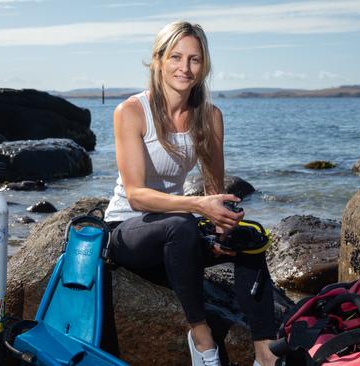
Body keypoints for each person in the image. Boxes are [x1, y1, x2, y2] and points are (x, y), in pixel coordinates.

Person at [104, 21, 278, 366]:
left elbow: (215, 188)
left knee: (251, 238)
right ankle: (201, 338)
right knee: (181, 223)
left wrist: (223, 224)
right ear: (158, 60)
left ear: (204, 66)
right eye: (176, 57)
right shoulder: (131, 112)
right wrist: (198, 205)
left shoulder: (210, 116)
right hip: (128, 231)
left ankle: (265, 350)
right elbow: (137, 196)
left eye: (194, 60)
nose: (185, 68)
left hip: (177, 236)